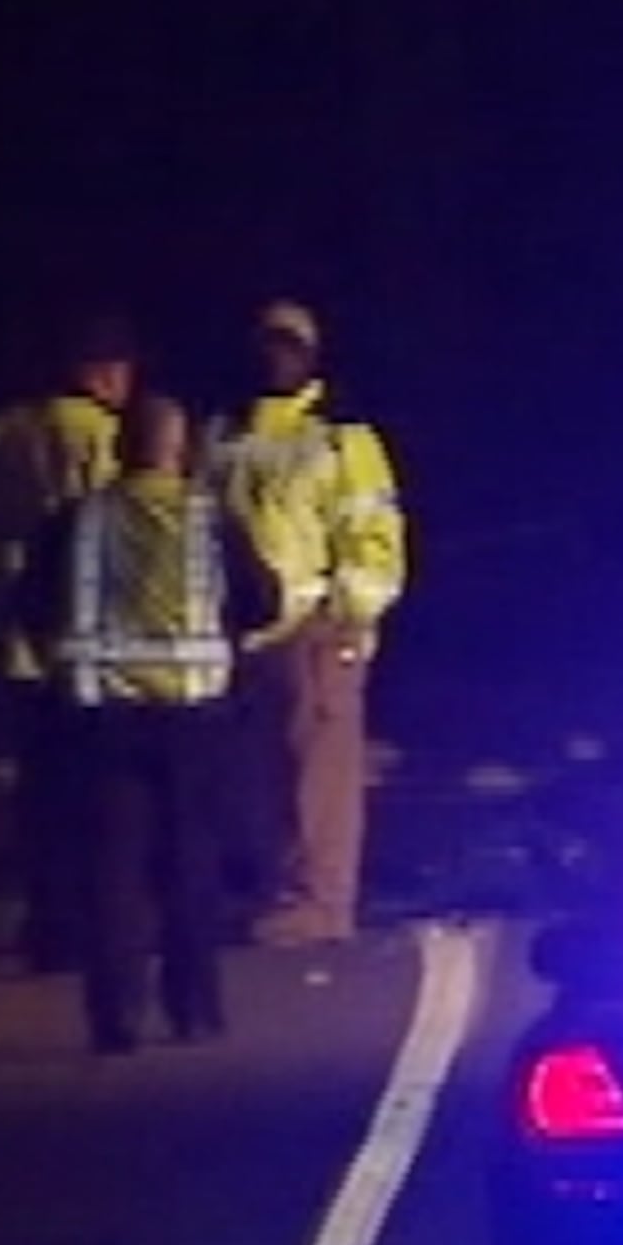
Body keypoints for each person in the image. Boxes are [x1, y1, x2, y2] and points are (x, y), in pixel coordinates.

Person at [7, 395, 283, 1055]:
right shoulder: (209, 520)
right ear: (178, 448)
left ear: (119, 448)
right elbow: (260, 601)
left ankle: (116, 1017)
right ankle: (195, 1009)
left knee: (112, 871)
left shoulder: (76, 520)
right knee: (191, 863)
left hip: (101, 720)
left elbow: (30, 605)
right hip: (194, 719)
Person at [202, 299, 409, 946]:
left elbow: (374, 535)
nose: (275, 355)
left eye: (289, 345)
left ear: (312, 355)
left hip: (316, 632)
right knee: (260, 777)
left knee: (321, 780)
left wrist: (345, 615)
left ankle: (321, 902)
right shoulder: (224, 439)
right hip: (248, 635)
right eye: (267, 343)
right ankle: (276, 893)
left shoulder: (341, 440)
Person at [0, 309, 142, 973]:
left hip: (15, 641)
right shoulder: (97, 436)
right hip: (81, 646)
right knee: (91, 800)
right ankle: (83, 929)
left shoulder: (5, 432)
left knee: (37, 800)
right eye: (122, 369)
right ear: (101, 372)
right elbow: (107, 539)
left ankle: (46, 923)